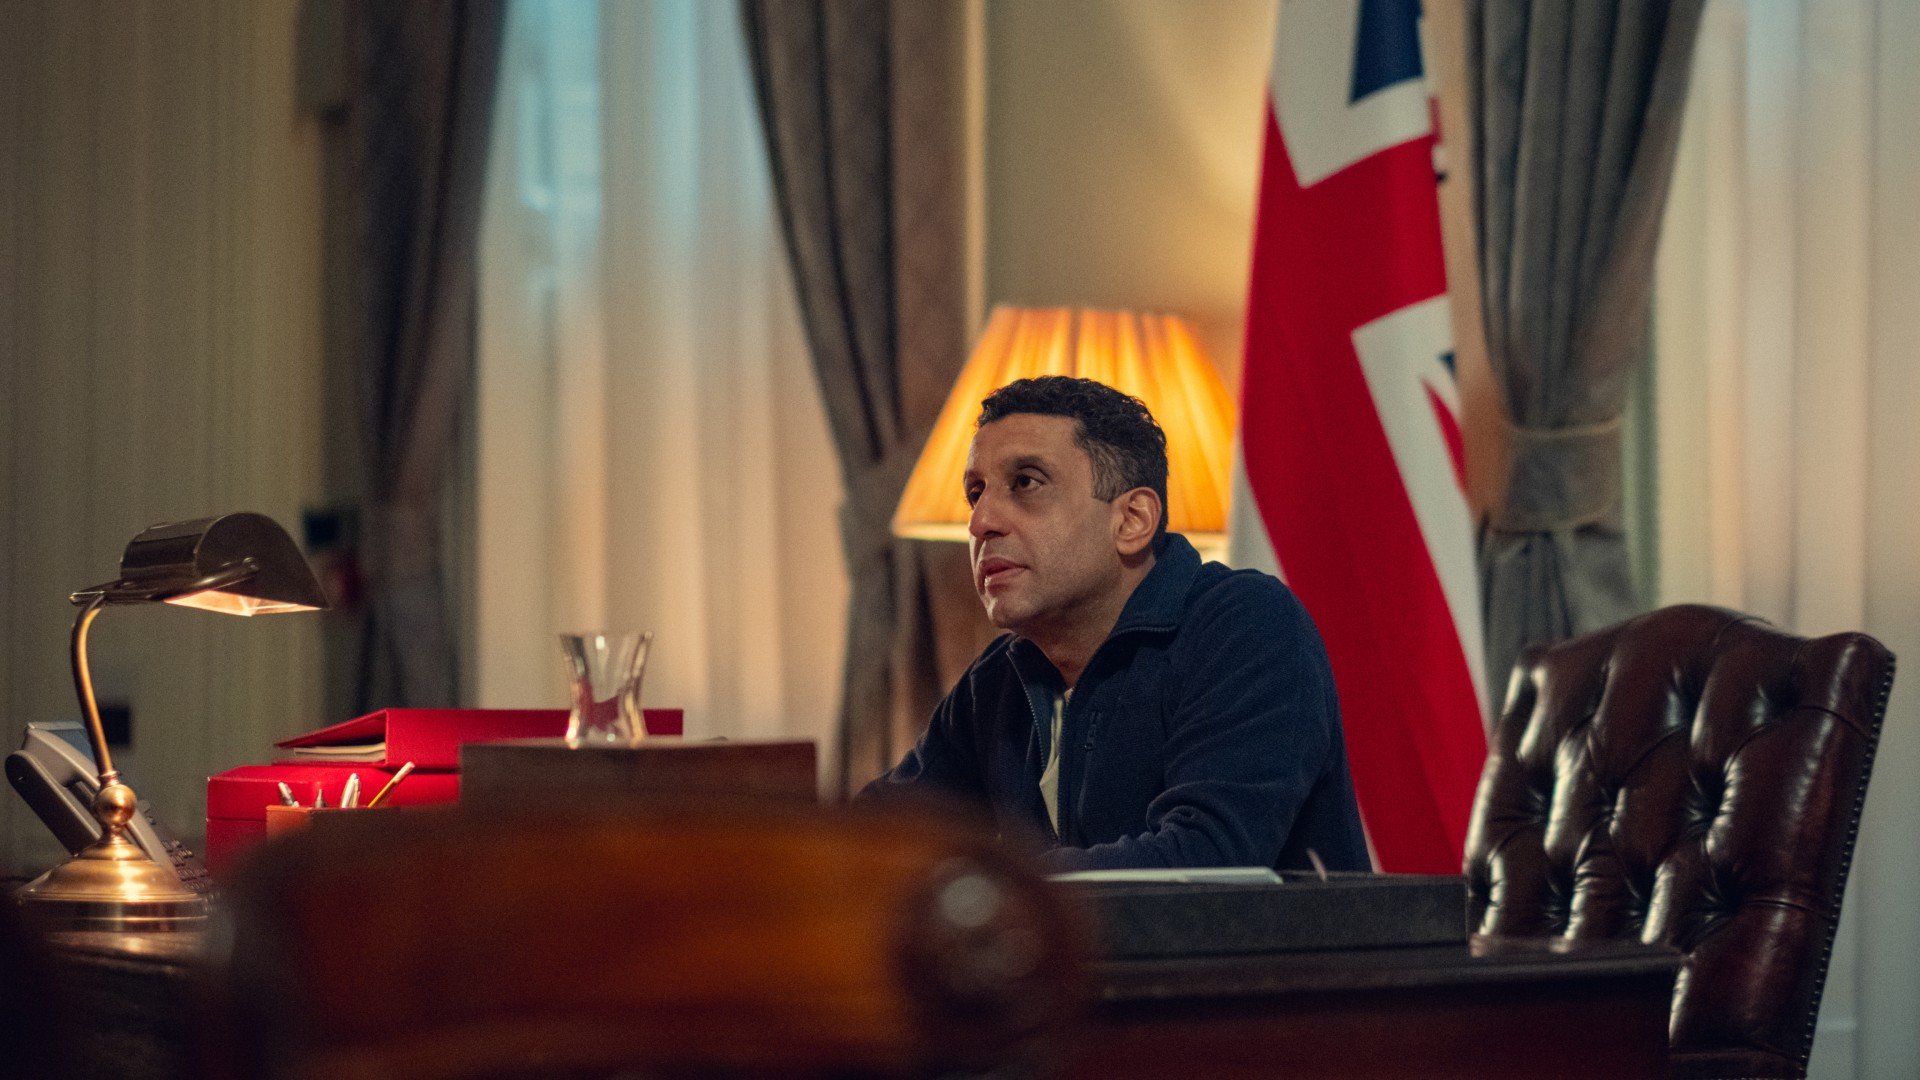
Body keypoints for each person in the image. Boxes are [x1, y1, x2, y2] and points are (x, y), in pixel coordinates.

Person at [864, 376, 1370, 872]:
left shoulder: (1248, 626)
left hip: (1261, 958)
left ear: (1132, 521)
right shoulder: (999, 678)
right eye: (976, 492)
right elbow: (875, 839)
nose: (980, 522)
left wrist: (1001, 887)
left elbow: (1204, 862)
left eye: (1025, 483)